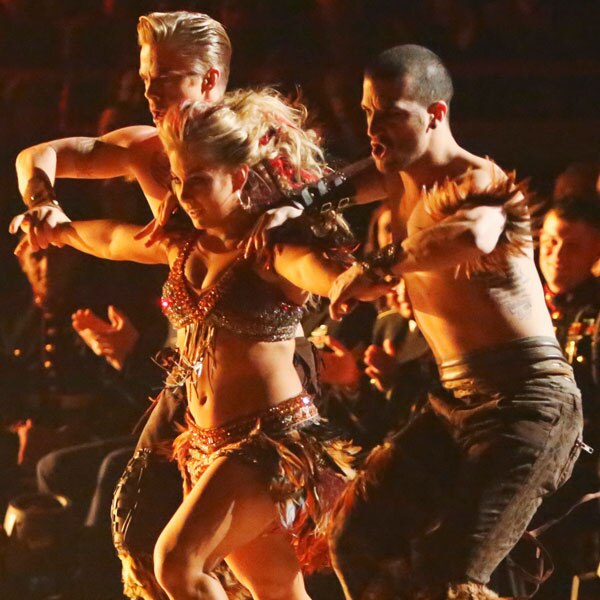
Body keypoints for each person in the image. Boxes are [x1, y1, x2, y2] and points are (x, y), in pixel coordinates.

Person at [25, 89, 365, 600]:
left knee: (177, 562)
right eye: (179, 181)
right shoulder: (182, 246)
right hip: (205, 446)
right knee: (273, 587)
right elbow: (113, 239)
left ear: (240, 177)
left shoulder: (269, 249)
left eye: (199, 181)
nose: (184, 195)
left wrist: (346, 280)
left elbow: (312, 268)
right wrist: (59, 230)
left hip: (267, 445)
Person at [322, 44, 583, 600]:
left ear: (435, 114)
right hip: (454, 405)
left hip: (526, 406)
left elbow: (474, 236)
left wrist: (376, 265)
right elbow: (331, 187)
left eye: (389, 114)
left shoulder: (481, 180)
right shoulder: (396, 176)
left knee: (452, 580)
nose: (373, 128)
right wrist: (288, 205)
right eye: (367, 112)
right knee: (355, 537)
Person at [10, 12, 235, 598]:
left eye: (167, 79)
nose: (150, 93)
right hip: (190, 370)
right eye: (145, 78)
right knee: (137, 531)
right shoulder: (147, 150)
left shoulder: (257, 152)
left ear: (210, 80)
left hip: (253, 368)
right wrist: (44, 205)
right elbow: (39, 155)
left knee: (235, 560)